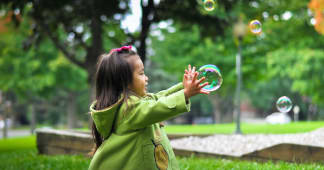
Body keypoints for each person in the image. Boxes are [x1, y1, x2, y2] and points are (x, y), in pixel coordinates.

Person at [89, 45, 209, 170]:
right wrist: (185, 94)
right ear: (124, 81)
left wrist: (183, 88)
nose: (146, 78)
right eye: (141, 73)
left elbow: (158, 98)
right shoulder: (128, 110)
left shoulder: (137, 103)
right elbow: (156, 107)